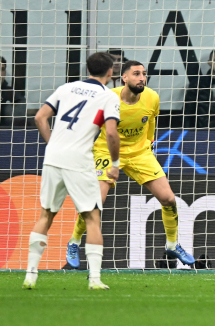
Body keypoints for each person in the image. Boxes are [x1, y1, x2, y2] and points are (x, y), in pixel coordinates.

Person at [65, 60, 196, 269]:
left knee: (168, 198)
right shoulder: (108, 99)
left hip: (139, 153)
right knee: (96, 202)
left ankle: (172, 245)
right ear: (124, 78)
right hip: (107, 150)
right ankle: (74, 242)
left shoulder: (152, 97)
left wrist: (150, 144)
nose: (141, 78)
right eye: (136, 74)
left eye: (144, 74)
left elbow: (151, 122)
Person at [24, 52, 120, 290]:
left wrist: (53, 144)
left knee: (46, 215)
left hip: (53, 158)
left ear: (88, 69)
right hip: (79, 160)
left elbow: (40, 117)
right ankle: (95, 279)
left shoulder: (66, 88)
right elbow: (110, 133)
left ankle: (30, 275)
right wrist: (115, 165)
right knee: (92, 217)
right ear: (110, 72)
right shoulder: (108, 96)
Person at [0, 56, 27, 127]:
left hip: (6, 133)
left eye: (2, 69)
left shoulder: (10, 92)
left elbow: (21, 107)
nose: (0, 73)